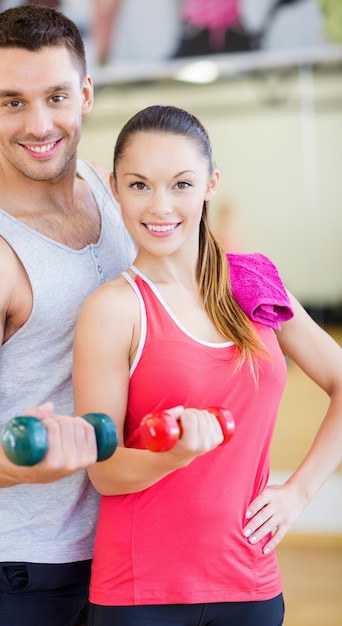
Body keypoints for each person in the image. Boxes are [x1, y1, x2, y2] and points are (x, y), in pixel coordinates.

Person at [72, 104, 342, 626]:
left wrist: (300, 491)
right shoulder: (114, 308)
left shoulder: (254, 285)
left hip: (251, 582)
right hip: (141, 594)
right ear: (114, 187)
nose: (160, 206)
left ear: (210, 184)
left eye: (180, 184)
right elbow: (104, 470)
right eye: (139, 185)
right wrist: (174, 456)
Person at [0, 5, 135, 626]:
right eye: (13, 102)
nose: (38, 124)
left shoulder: (109, 190)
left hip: (121, 549)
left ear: (86, 94)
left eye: (56, 97)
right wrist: (26, 462)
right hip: (23, 567)